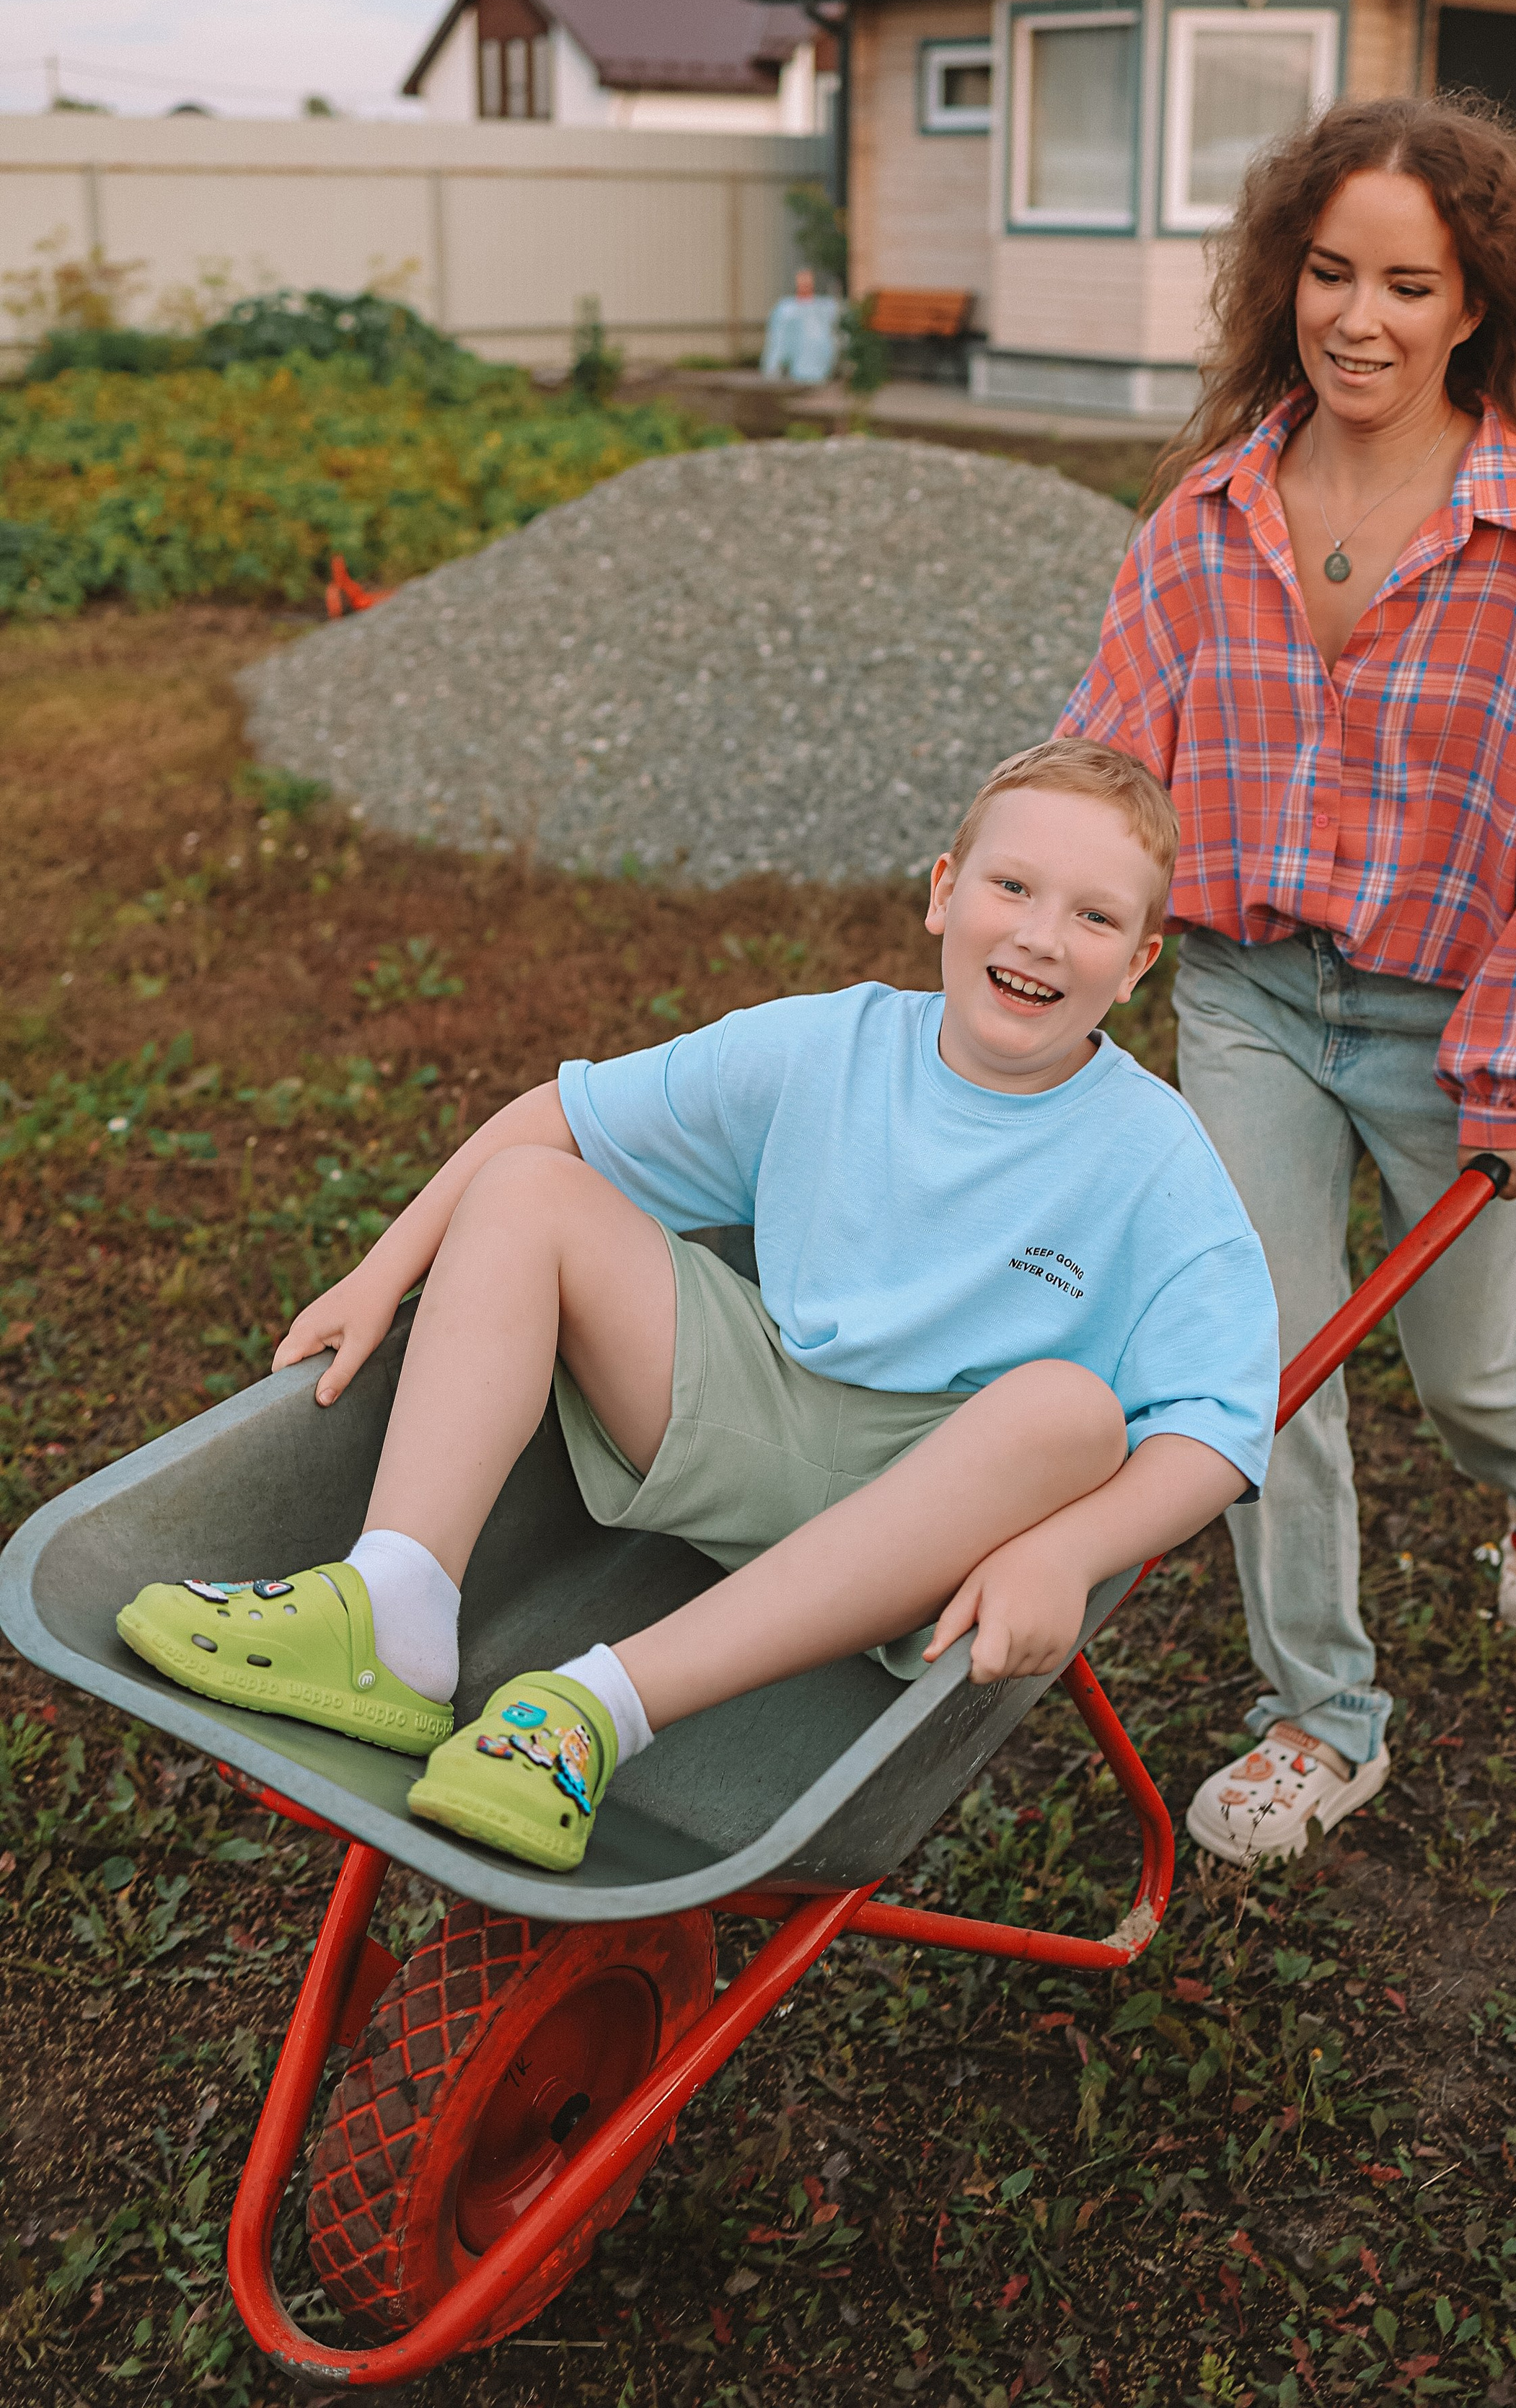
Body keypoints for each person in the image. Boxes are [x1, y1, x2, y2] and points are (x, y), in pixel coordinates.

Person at [117, 740, 1279, 1873]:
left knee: (1075, 1412)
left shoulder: (1150, 1156)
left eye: (1093, 916)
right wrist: (384, 1272)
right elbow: (557, 1118)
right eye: (1014, 886)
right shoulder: (828, 1048)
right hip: (759, 1416)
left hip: (935, 1518)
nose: (1039, 936)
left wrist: (1068, 1551)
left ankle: (597, 1707)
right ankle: (397, 1607)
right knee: (528, 1189)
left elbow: (1220, 1422)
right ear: (943, 892)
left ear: (1138, 966)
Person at [1059, 93, 1516, 1866]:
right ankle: (1316, 1713)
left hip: (1464, 1016)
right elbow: (1108, 763)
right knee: (1258, 1355)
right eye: (1328, 271)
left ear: (1470, 304)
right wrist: (1043, 948)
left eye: (1407, 282)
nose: (1359, 317)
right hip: (1250, 997)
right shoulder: (1203, 520)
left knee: (1460, 1362)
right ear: (1283, 279)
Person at [759, 266, 841, 384]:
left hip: (820, 364)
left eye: (808, 282)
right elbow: (778, 339)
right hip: (797, 368)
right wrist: (774, 365)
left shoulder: (822, 307)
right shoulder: (787, 309)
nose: (805, 286)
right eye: (802, 282)